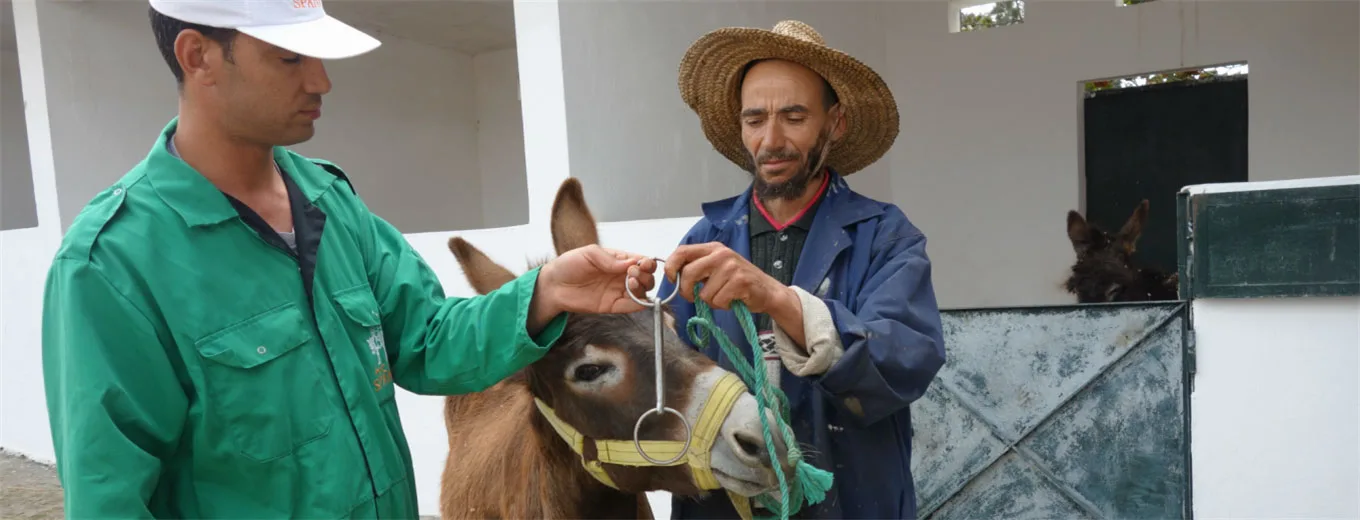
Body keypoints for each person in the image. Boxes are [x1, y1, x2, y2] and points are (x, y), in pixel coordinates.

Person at [39, 1, 659, 518]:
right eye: (289, 58)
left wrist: (548, 290)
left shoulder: (330, 203)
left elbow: (427, 338)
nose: (320, 81)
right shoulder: (112, 265)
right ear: (198, 56)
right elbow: (109, 498)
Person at [658, 20, 948, 519]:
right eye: (755, 119)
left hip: (851, 501)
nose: (771, 140)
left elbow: (905, 361)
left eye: (794, 116)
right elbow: (661, 372)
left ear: (834, 123)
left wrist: (777, 299)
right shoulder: (704, 241)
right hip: (723, 506)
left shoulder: (886, 236)